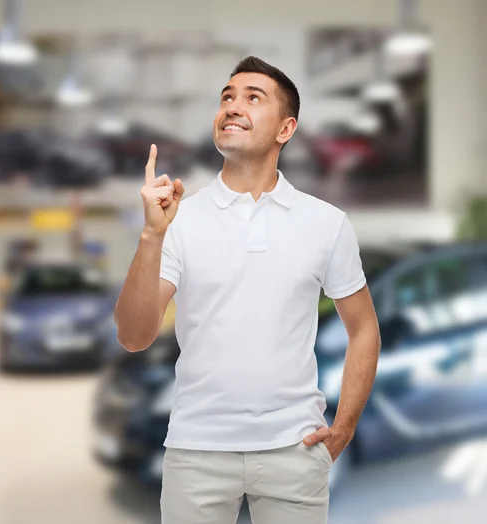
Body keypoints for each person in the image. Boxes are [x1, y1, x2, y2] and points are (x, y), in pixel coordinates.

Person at [114, 56, 381, 524]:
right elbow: (134, 336)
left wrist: (344, 427)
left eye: (253, 98)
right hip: (196, 452)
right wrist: (151, 235)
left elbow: (363, 330)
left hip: (294, 451)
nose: (233, 106)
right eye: (227, 97)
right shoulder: (180, 219)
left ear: (285, 129)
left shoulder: (326, 223)